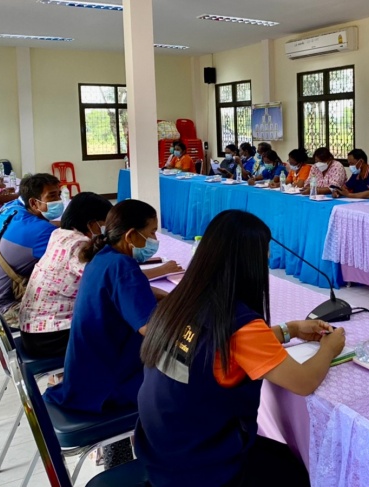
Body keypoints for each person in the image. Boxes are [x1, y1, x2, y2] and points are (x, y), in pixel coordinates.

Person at [135, 210, 346, 487]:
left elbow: (219, 346)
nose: (267, 261)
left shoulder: (181, 302)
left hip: (160, 450)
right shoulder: (238, 322)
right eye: (264, 254)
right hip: (202, 465)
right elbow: (304, 382)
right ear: (248, 263)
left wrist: (291, 330)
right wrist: (330, 348)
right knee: (303, 469)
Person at [44, 199, 173, 413]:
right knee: (187, 380)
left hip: (85, 375)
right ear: (130, 235)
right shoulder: (123, 266)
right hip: (107, 386)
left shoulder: (102, 257)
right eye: (151, 232)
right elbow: (151, 330)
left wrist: (161, 295)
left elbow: (125, 292)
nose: (155, 239)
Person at [19, 192, 113, 357]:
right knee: (121, 329)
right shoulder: (79, 246)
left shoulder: (60, 234)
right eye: (105, 224)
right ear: (92, 224)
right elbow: (109, 282)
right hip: (50, 337)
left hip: (35, 329)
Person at [0, 173, 61, 328]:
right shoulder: (39, 231)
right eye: (52, 196)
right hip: (1, 309)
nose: (59, 201)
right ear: (33, 202)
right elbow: (67, 261)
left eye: (59, 195)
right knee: (71, 307)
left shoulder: (14, 210)